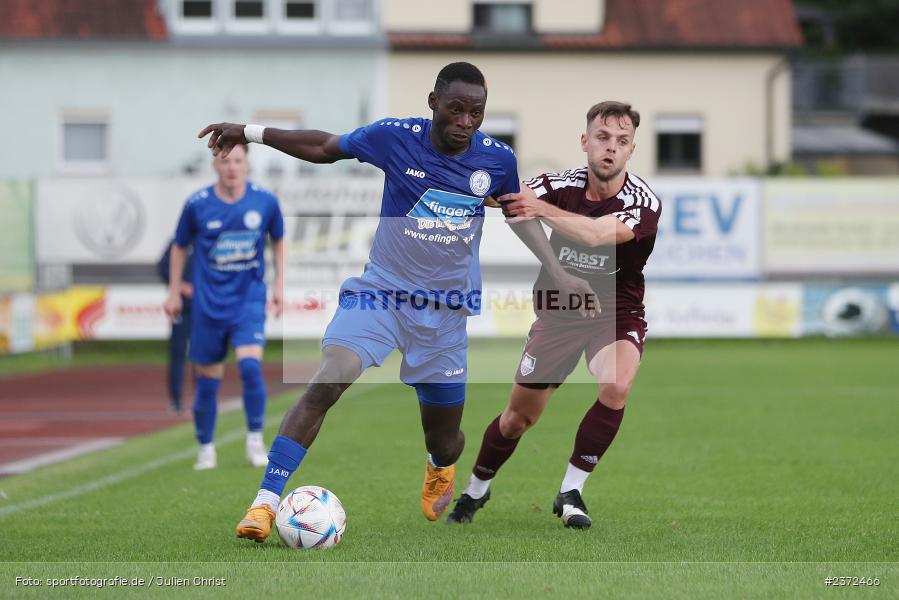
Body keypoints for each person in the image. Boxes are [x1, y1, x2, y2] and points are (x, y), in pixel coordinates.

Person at [198, 62, 590, 543]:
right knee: (328, 378)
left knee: (445, 438)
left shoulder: (497, 160)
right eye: (456, 109)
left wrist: (557, 271)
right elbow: (325, 147)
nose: (466, 121)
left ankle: (439, 466)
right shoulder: (395, 137)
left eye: (476, 113)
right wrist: (250, 133)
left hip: (444, 315)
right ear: (433, 103)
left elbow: (518, 211)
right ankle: (264, 504)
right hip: (380, 294)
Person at [446, 101, 661, 529]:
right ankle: (474, 491)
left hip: (615, 312)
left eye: (621, 142)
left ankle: (571, 489)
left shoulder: (643, 201)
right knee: (516, 419)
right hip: (558, 313)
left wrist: (539, 208)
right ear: (585, 142)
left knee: (616, 384)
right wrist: (469, 178)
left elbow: (600, 234)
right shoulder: (558, 184)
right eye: (602, 138)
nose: (610, 149)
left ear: (632, 150)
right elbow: (502, 196)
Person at [163, 143, 285, 471]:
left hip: (248, 300)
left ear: (247, 164)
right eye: (225, 161)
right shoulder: (198, 204)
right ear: (215, 165)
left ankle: (255, 441)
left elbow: (278, 239)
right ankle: (206, 448)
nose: (232, 167)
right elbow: (178, 246)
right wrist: (174, 292)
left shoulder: (264, 200)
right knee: (207, 381)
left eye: (238, 160)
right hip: (208, 304)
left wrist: (279, 286)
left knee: (249, 367)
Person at [157, 240, 194, 414]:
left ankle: (202, 398)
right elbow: (162, 268)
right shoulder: (178, 242)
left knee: (203, 355)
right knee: (177, 354)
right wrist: (179, 286)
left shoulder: (208, 238)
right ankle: (176, 400)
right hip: (181, 308)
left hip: (204, 308)